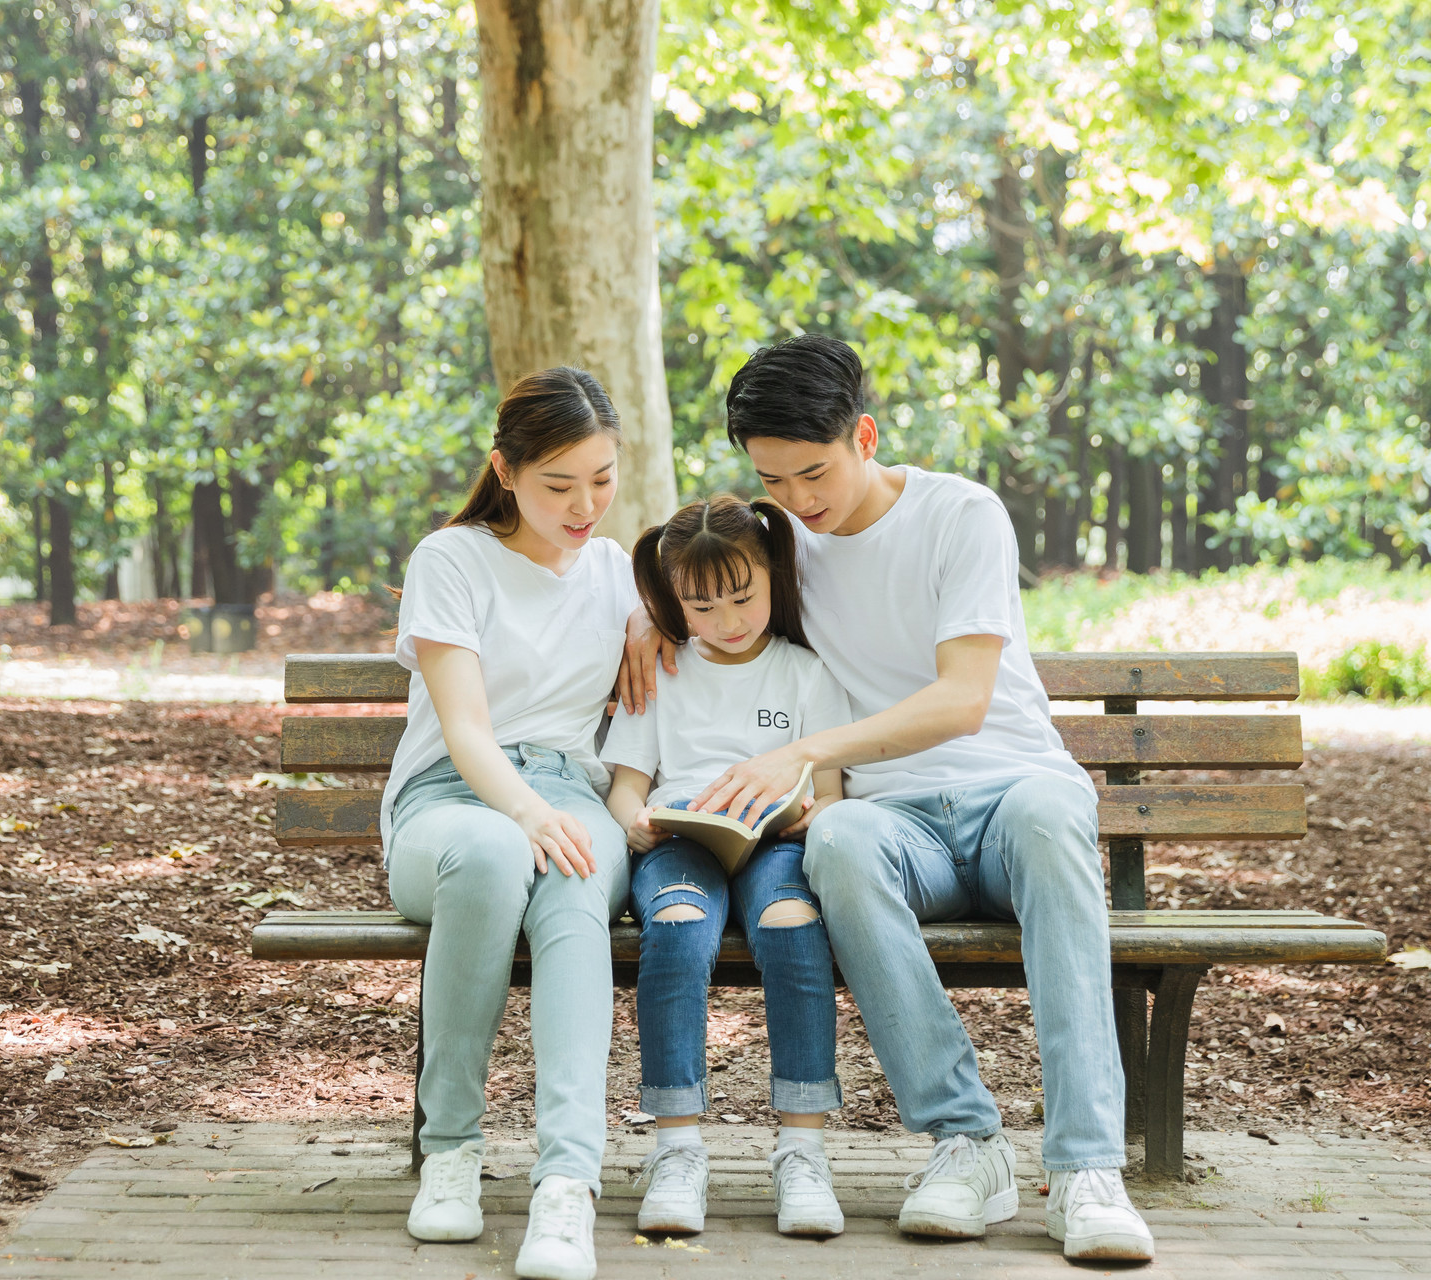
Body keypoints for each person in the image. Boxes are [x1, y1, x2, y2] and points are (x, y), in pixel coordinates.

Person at [629, 334, 1156, 1263]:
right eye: (773, 479)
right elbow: (709, 585)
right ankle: (966, 1142)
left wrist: (804, 749)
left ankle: (1085, 1169)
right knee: (838, 845)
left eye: (814, 472)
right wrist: (645, 618)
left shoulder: (962, 515)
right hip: (892, 823)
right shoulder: (787, 541)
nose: (797, 500)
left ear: (864, 435)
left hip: (1010, 793)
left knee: (1049, 818)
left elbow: (963, 700)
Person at [386, 366, 640, 1280]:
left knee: (574, 885)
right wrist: (526, 814)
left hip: (571, 791)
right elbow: (465, 729)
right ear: (505, 470)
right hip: (452, 798)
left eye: (603, 479)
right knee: (496, 854)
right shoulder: (449, 560)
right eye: (558, 484)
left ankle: (567, 1183)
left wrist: (650, 624)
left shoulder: (618, 570)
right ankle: (450, 1149)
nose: (584, 506)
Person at [599, 495, 853, 1239]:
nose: (728, 621)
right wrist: (635, 826)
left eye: (743, 598)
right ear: (675, 601)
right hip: (681, 842)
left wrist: (805, 816)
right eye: (703, 606)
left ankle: (802, 1151)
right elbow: (625, 788)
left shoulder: (806, 673)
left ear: (773, 576)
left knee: (794, 924)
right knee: (676, 928)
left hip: (777, 843)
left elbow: (832, 793)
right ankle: (677, 1149)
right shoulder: (665, 671)